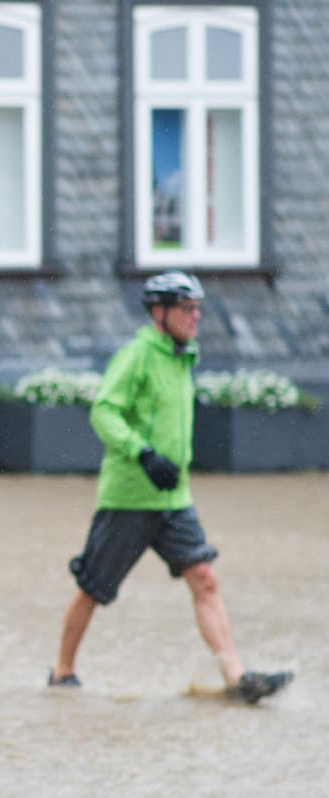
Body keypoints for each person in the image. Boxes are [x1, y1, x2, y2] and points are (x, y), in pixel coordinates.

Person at [48, 271, 292, 705]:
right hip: (129, 496)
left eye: (198, 307)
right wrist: (141, 453)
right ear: (159, 313)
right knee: (93, 587)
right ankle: (63, 672)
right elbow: (104, 411)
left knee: (204, 577)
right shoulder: (137, 355)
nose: (196, 316)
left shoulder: (185, 358)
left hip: (174, 497)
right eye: (186, 308)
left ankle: (237, 677)